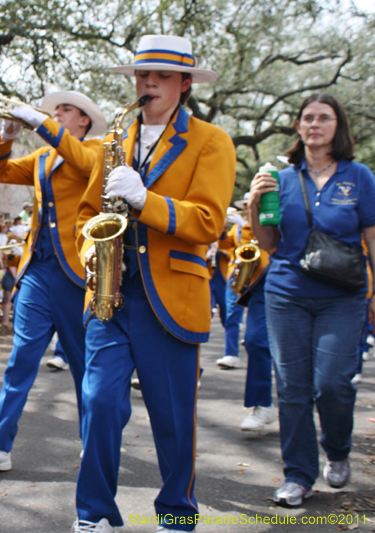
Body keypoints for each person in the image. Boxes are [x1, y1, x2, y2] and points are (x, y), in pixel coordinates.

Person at [74, 35, 236, 533]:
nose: (149, 83)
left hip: (171, 296)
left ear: (185, 84)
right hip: (110, 296)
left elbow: (209, 221)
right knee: (99, 401)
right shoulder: (113, 140)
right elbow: (86, 213)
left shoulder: (212, 141)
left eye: (162, 76)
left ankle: (176, 513)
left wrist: (146, 201)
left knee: (172, 418)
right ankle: (94, 512)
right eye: (143, 75)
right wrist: (88, 250)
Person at [0, 88, 107, 471]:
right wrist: (7, 136)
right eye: (54, 111)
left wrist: (39, 124)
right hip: (37, 271)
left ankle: (92, 441)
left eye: (65, 110)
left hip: (78, 275)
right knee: (20, 360)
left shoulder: (97, 150)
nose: (56, 114)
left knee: (84, 367)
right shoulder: (44, 155)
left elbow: (78, 162)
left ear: (84, 121)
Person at [249, 93, 375, 507]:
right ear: (298, 127)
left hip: (343, 296)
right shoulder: (281, 179)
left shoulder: (359, 176)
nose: (315, 124)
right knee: (292, 387)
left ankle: (337, 450)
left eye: (324, 118)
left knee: (332, 383)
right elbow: (268, 243)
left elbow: (372, 239)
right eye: (308, 118)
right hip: (287, 295)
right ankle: (298, 475)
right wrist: (254, 203)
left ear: (337, 127)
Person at [222, 198, 276, 431]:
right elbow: (245, 240)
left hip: (302, 278)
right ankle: (262, 404)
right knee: (255, 341)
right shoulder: (270, 194)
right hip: (264, 282)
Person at [215, 204, 248, 369]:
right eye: (246, 205)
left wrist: (245, 225)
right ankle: (231, 353)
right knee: (231, 315)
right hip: (237, 276)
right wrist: (222, 228)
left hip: (258, 276)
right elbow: (225, 245)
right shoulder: (235, 228)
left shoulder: (254, 223)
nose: (248, 207)